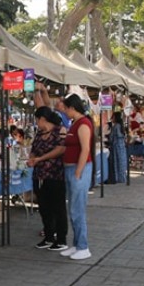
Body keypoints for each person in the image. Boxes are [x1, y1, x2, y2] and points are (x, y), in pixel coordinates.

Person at [28, 106, 68, 251]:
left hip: (55, 175)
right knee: (44, 208)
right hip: (39, 175)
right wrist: (33, 158)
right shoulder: (39, 133)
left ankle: (61, 239)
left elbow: (61, 149)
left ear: (43, 119)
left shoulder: (59, 131)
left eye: (37, 120)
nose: (37, 123)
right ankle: (49, 236)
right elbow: (34, 149)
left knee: (58, 207)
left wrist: (41, 158)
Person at [60, 93, 94, 261]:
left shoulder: (83, 124)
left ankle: (83, 246)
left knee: (77, 209)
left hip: (78, 170)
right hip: (71, 169)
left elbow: (85, 149)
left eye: (66, 109)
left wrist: (78, 172)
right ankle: (76, 244)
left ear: (72, 108)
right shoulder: (74, 123)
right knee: (73, 208)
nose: (65, 112)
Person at [110, 111, 127, 184]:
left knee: (117, 162)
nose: (112, 119)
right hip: (121, 145)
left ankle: (117, 177)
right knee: (122, 162)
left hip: (116, 145)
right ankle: (122, 177)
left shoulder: (115, 126)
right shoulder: (121, 126)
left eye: (113, 117)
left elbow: (111, 137)